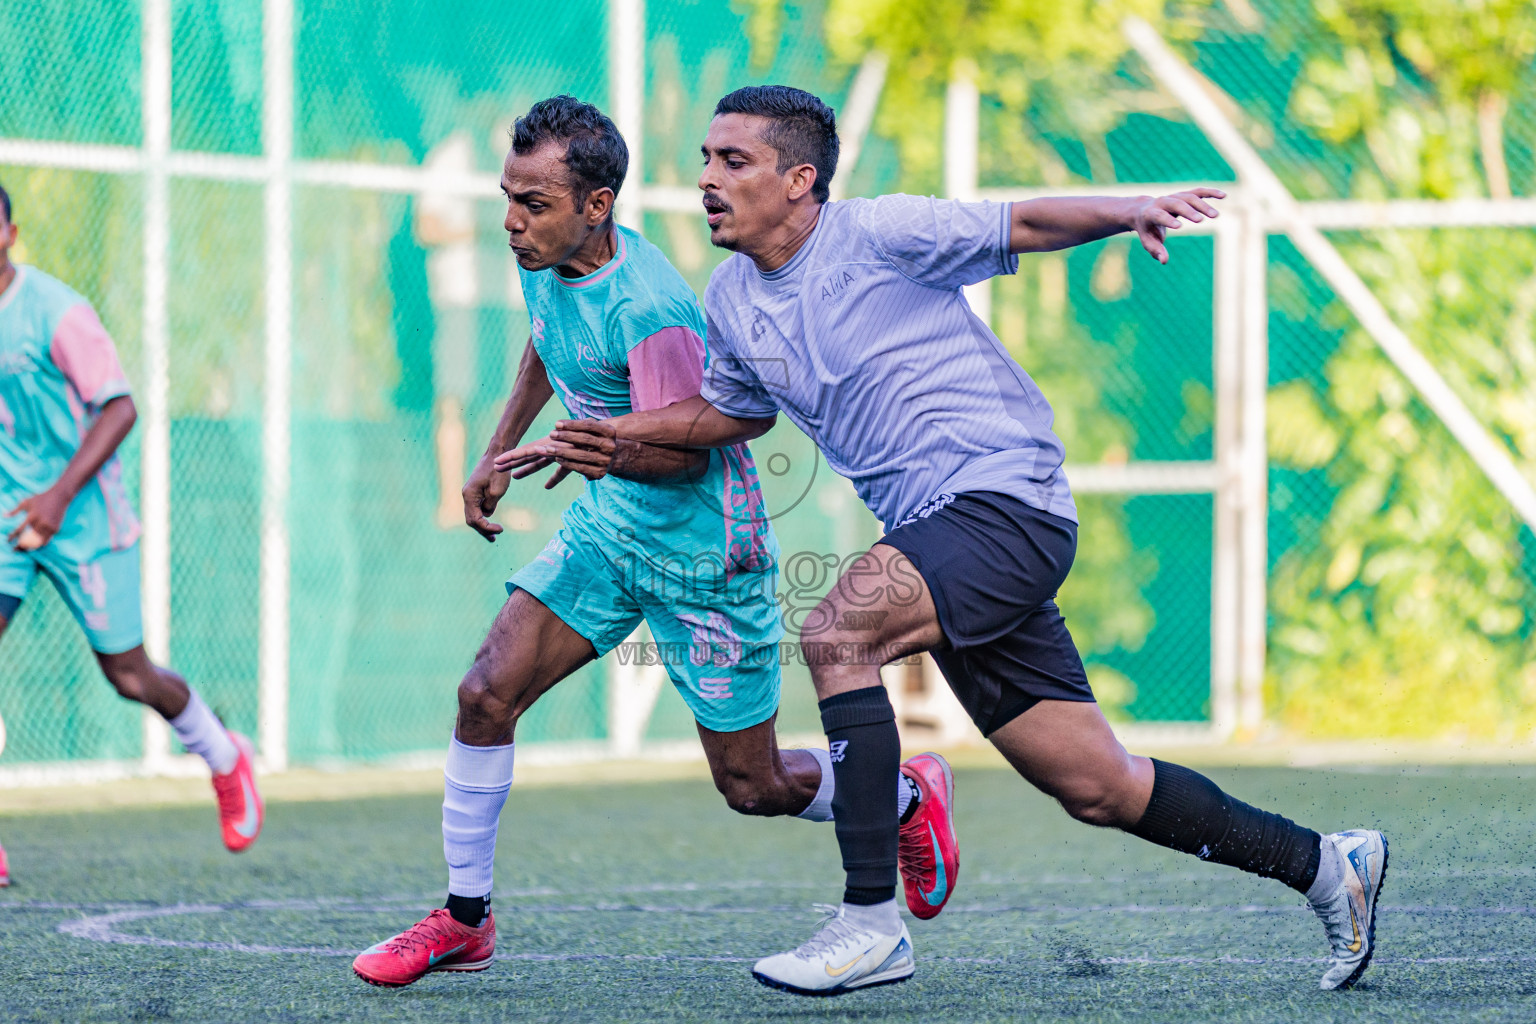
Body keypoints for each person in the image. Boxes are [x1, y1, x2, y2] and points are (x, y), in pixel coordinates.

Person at [548, 85, 1388, 996]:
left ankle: (871, 924)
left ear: (799, 180)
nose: (707, 177)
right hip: (938, 534)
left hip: (1004, 501)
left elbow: (1019, 222)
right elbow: (732, 412)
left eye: (733, 160)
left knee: (837, 633)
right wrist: (618, 434)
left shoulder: (877, 233)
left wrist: (1129, 209)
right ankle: (1324, 865)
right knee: (1098, 785)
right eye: (707, 159)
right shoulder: (732, 297)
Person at [352, 96, 958, 989]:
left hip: (704, 556)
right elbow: (547, 342)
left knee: (752, 786)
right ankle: (464, 920)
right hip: (607, 531)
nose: (513, 222)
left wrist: (592, 449)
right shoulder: (547, 255)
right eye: (508, 199)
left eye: (534, 204)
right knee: (484, 695)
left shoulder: (651, 308)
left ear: (596, 206)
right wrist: (497, 450)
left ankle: (904, 795)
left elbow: (685, 456)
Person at [0, 181, 263, 858]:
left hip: (82, 515)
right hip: (6, 513)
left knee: (128, 675)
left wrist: (57, 498)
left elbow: (121, 408)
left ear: (11, 235)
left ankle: (224, 755)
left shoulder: (56, 313)